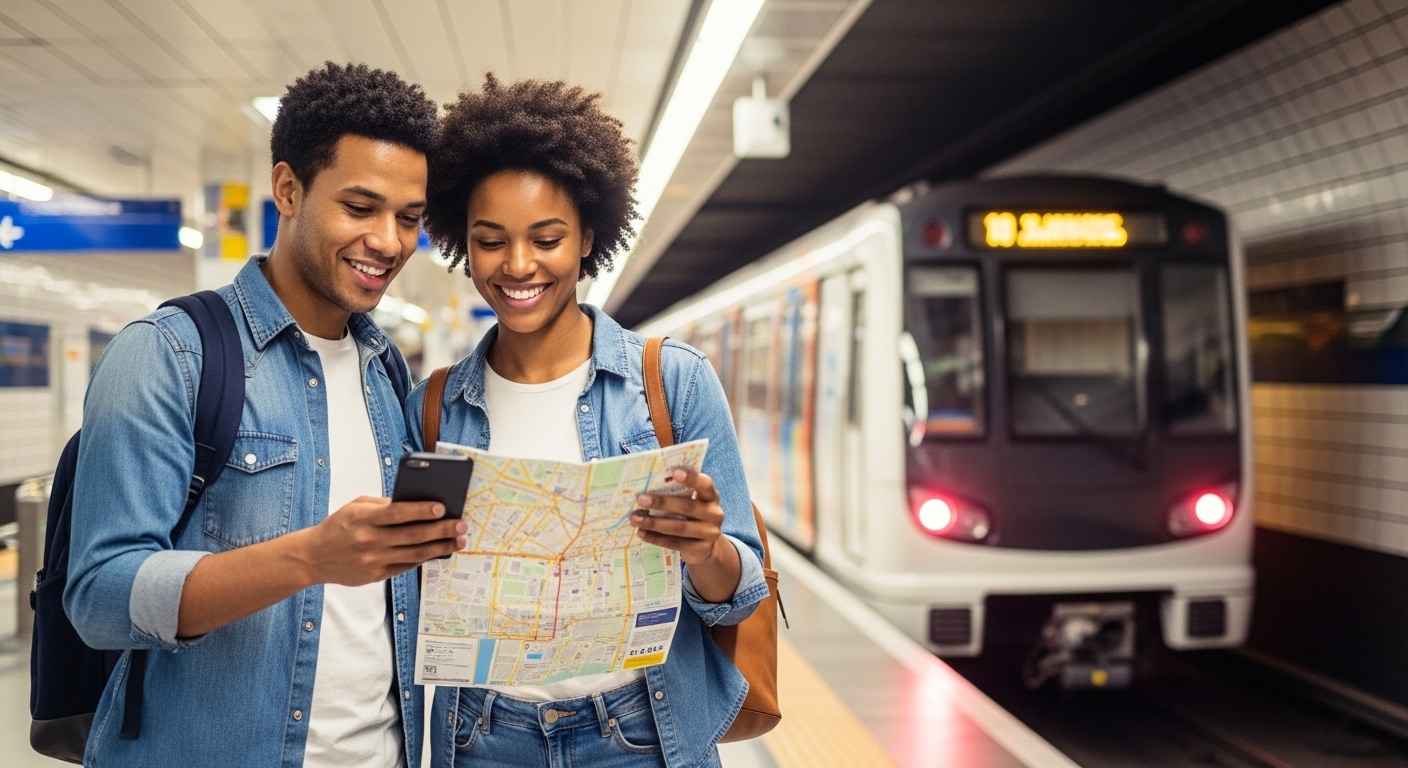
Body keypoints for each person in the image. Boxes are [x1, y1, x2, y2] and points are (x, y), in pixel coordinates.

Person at [65, 62, 466, 767]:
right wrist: (311, 557)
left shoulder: (385, 371)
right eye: (360, 207)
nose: (389, 241)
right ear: (288, 188)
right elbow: (100, 597)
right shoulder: (168, 355)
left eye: (408, 218)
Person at [409, 74, 769, 768]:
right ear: (462, 242)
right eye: (491, 241)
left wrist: (704, 549)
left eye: (546, 239)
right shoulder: (432, 405)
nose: (518, 266)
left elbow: (739, 594)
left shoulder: (672, 380)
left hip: (640, 734)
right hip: (481, 735)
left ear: (587, 239)